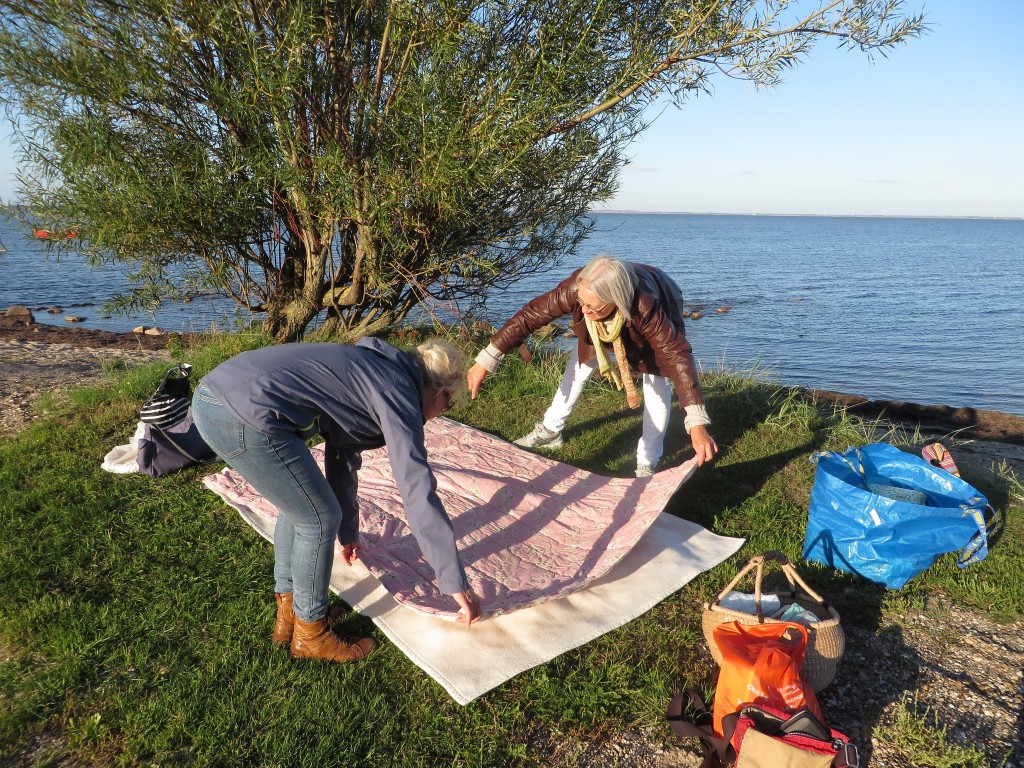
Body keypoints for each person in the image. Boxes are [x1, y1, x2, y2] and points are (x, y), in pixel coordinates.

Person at [193, 336, 482, 664]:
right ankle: (311, 635)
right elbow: (416, 487)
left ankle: (291, 616)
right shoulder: (397, 391)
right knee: (317, 518)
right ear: (440, 393)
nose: (443, 413)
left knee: (301, 502)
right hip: (243, 415)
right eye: (449, 405)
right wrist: (453, 580)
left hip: (215, 396)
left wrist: (349, 531)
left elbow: (343, 454)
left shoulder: (377, 371)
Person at [467, 256, 717, 476]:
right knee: (579, 365)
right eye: (581, 302)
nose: (583, 311)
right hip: (604, 316)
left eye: (592, 307)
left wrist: (696, 422)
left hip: (664, 297)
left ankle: (647, 462)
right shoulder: (579, 287)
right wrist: (486, 359)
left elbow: (676, 355)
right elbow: (531, 315)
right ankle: (551, 431)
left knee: (657, 383)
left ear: (616, 301)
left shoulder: (646, 306)